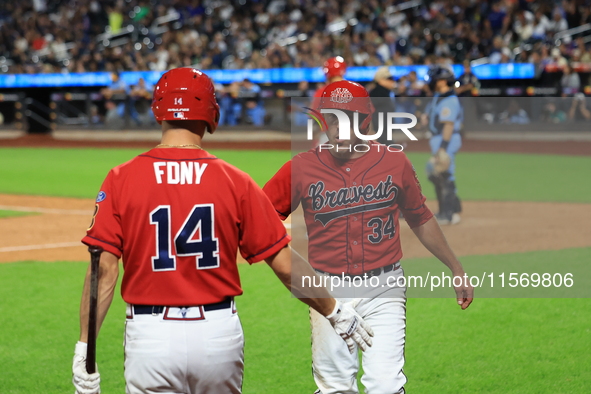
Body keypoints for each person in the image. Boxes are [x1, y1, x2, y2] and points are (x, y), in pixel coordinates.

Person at [72, 68, 374, 394]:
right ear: (211, 113)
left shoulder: (122, 177)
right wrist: (335, 311)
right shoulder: (235, 180)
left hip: (151, 336)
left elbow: (102, 271)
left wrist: (84, 350)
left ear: (158, 109)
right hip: (217, 335)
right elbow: (285, 265)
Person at [263, 80, 473, 394]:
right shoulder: (302, 168)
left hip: (384, 287)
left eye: (346, 119)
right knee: (336, 389)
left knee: (386, 387)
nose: (337, 128)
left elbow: (420, 217)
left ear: (365, 122)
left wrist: (455, 268)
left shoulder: (394, 162)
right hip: (327, 290)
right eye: (331, 119)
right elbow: (258, 218)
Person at [423, 65, 463, 225]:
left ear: (441, 81)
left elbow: (448, 125)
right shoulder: (440, 96)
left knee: (444, 174)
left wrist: (443, 147)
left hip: (446, 139)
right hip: (439, 139)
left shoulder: (449, 100)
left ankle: (448, 213)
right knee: (437, 174)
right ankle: (451, 208)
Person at [368, 66, 396, 144]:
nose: (392, 81)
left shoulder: (385, 92)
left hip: (384, 131)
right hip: (381, 131)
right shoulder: (377, 93)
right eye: (389, 79)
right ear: (381, 80)